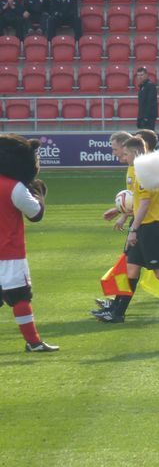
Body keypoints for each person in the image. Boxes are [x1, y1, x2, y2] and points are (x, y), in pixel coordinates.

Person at [95, 136, 159, 323]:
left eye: (125, 154)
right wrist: (122, 214)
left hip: (152, 227)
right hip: (146, 225)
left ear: (135, 152)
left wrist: (134, 230)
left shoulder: (143, 172)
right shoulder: (143, 169)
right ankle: (118, 314)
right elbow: (141, 201)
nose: (123, 158)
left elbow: (145, 203)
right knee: (131, 270)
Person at [0, 134, 58, 352]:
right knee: (20, 297)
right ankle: (33, 342)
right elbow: (35, 214)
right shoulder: (13, 187)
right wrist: (40, 193)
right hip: (9, 253)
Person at [92, 131, 135, 316]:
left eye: (115, 148)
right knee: (135, 266)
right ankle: (117, 307)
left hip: (150, 223)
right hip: (144, 222)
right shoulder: (132, 167)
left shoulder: (136, 169)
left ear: (125, 147)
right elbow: (135, 200)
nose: (113, 152)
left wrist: (125, 217)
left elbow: (141, 201)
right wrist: (121, 213)